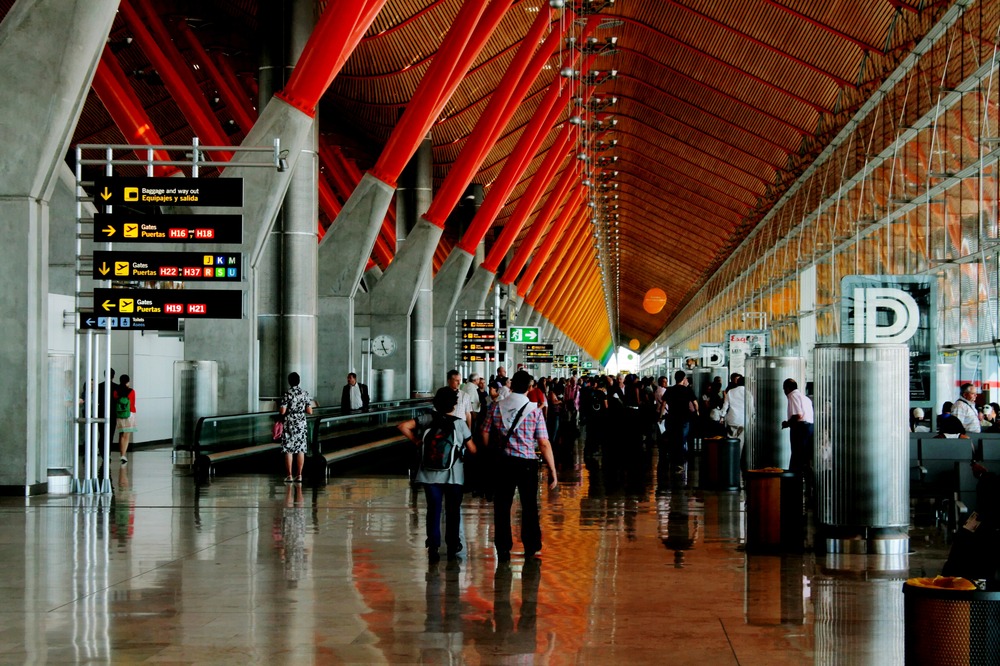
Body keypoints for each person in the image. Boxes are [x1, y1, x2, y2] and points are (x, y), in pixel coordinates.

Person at [481, 370, 558, 562]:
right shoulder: (535, 410)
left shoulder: (496, 407)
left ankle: (503, 547)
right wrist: (553, 470)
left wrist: (493, 450)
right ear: (530, 388)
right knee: (529, 505)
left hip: (504, 463)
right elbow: (543, 443)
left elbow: (484, 433)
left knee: (502, 506)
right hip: (527, 464)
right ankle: (531, 546)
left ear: (511, 385)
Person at [398, 386, 475, 561]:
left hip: (428, 473)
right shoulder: (459, 424)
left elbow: (402, 426)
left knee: (434, 509)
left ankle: (433, 546)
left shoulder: (427, 419)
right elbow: (472, 449)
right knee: (453, 510)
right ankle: (453, 544)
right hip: (454, 475)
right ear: (454, 404)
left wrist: (417, 441)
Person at [781, 378, 815, 502]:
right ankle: (809, 486)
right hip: (809, 428)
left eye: (784, 389)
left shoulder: (792, 396)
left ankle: (792, 484)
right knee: (805, 459)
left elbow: (798, 415)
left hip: (800, 429)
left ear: (788, 388)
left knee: (796, 456)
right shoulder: (805, 398)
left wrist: (787, 423)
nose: (784, 392)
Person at [280, 372, 313, 483]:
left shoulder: (287, 394)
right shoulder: (304, 393)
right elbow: (310, 411)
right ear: (299, 381)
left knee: (288, 449)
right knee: (300, 449)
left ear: (289, 381)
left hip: (289, 422)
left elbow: (283, 411)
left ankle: (289, 476)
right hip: (301, 423)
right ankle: (299, 475)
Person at [663, 370, 698, 468]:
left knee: (674, 438)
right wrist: (697, 412)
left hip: (672, 417)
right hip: (684, 418)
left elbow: (663, 403)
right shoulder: (687, 390)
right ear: (683, 379)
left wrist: (661, 415)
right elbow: (695, 403)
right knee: (682, 438)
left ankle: (674, 458)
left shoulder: (669, 390)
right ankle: (680, 459)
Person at [113, 374, 137, 464]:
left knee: (121, 434)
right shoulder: (131, 391)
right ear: (128, 382)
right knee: (127, 435)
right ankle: (123, 455)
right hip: (129, 414)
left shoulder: (116, 391)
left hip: (119, 414)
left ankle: (121, 454)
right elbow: (132, 403)